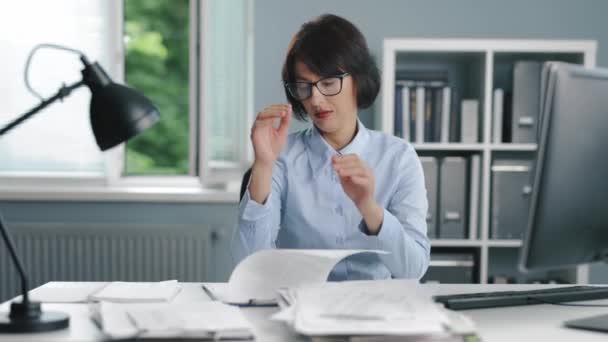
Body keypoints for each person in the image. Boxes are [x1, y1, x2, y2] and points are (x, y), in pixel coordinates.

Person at [231, 14, 429, 280]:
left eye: (328, 83)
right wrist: (264, 166)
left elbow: (413, 270)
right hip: (299, 303)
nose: (316, 99)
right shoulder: (281, 157)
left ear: (358, 80)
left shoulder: (399, 157)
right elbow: (248, 266)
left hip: (376, 309)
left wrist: (368, 206)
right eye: (304, 86)